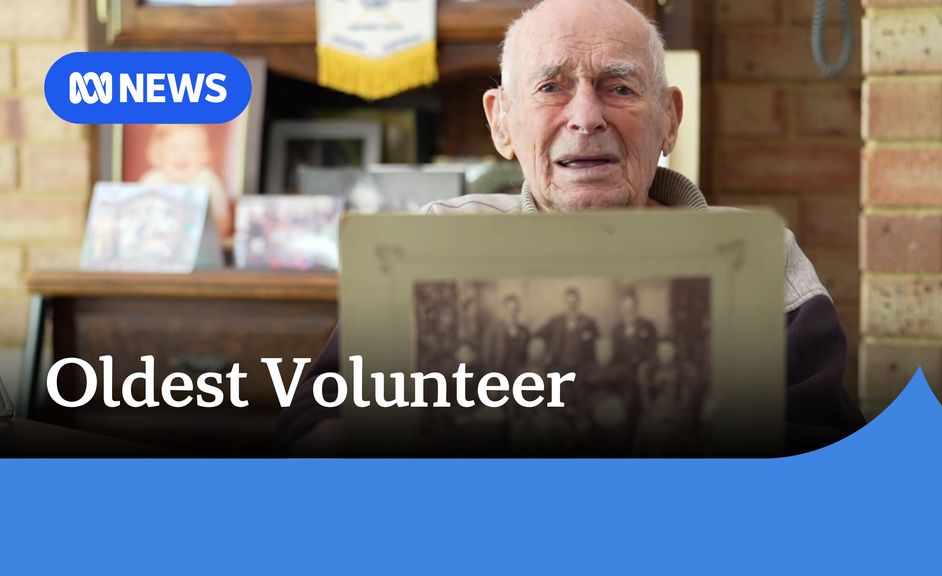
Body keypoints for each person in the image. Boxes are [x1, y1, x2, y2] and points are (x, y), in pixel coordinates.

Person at [277, 0, 866, 455]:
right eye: (551, 87)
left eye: (620, 87)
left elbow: (821, 456)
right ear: (501, 122)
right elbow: (309, 429)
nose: (585, 117)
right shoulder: (434, 248)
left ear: (670, 120)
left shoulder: (758, 260)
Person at [139, 124, 233, 243]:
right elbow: (139, 220)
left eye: (191, 147)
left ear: (204, 155)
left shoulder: (208, 181)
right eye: (173, 147)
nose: (182, 154)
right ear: (157, 155)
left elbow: (224, 224)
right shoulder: (151, 180)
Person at [535, 287, 600, 374]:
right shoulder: (555, 322)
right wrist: (547, 356)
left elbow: (600, 343)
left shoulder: (589, 323)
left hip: (582, 370)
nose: (571, 306)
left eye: (574, 302)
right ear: (564, 303)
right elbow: (537, 335)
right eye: (568, 302)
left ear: (579, 303)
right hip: (558, 368)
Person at [610, 292, 658, 374]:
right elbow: (615, 354)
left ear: (636, 306)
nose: (628, 310)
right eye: (624, 306)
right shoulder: (616, 330)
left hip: (644, 370)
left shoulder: (648, 326)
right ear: (620, 308)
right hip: (622, 373)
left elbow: (654, 350)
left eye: (631, 306)